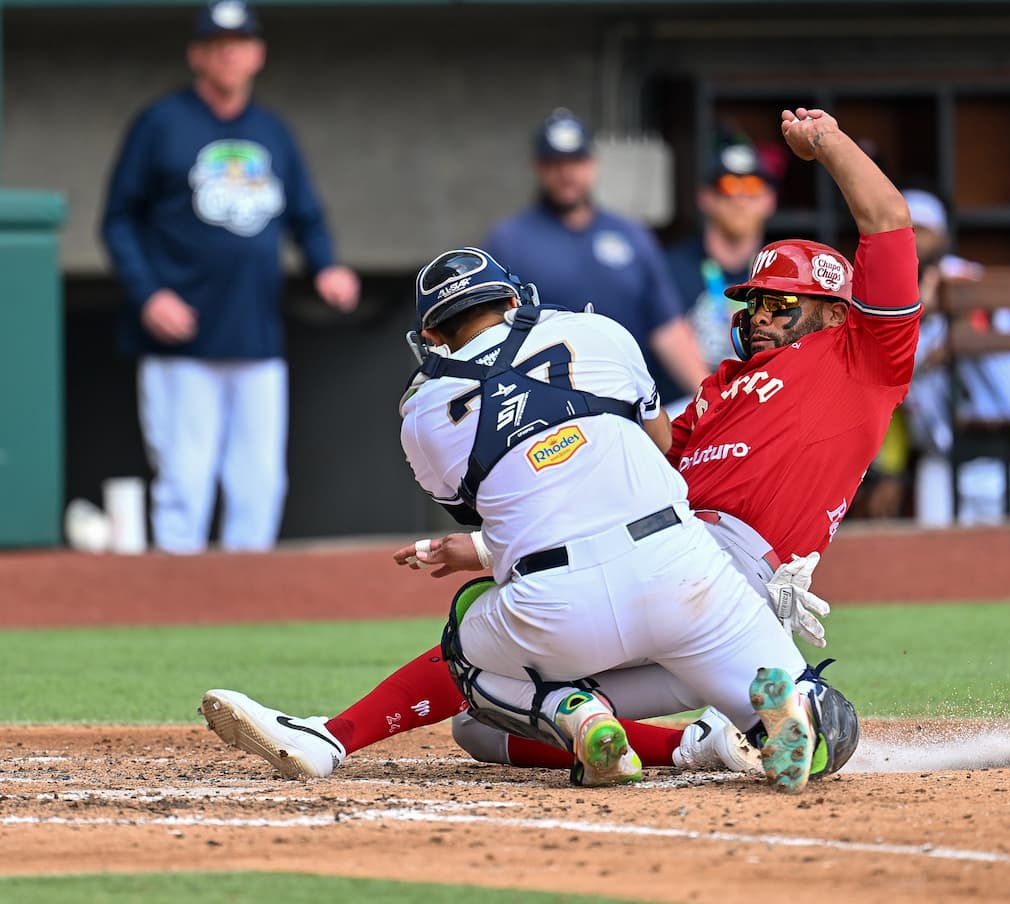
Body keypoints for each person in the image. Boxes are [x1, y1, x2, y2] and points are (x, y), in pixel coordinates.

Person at [201, 107, 918, 792]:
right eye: (754, 302)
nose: (760, 315)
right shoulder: (718, 387)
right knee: (479, 730)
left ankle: (355, 733)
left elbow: (887, 221)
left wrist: (827, 143)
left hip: (729, 566)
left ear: (836, 314)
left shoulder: (863, 358)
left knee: (491, 676)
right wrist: (485, 549)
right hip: (679, 559)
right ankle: (728, 736)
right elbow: (607, 484)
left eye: (782, 304)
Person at [99, 1, 360, 554]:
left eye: (239, 44)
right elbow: (119, 220)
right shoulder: (160, 123)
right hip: (180, 337)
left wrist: (326, 267)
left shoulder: (272, 131)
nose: (228, 56)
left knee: (259, 482)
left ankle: (248, 596)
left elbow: (306, 217)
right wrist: (149, 295)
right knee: (184, 481)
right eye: (216, 45)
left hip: (256, 332)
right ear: (196, 55)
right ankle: (176, 596)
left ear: (258, 54)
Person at [483, 108, 710, 402]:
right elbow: (487, 335)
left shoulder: (632, 235)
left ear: (592, 163)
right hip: (544, 407)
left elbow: (667, 328)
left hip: (628, 401)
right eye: (555, 163)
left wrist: (711, 399)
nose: (566, 173)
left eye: (575, 161)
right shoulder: (508, 241)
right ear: (538, 167)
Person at [899, 189, 1010, 526]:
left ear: (943, 235)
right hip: (941, 460)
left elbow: (976, 326)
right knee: (930, 553)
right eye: (905, 230)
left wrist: (931, 313)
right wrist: (922, 314)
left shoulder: (964, 277)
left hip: (1009, 455)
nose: (912, 240)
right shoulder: (883, 298)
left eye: (922, 230)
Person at [659, 143, 778, 414]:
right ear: (705, 198)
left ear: (770, 200)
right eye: (728, 187)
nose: (740, 200)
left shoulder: (785, 272)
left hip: (764, 409)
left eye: (752, 187)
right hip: (687, 413)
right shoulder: (668, 268)